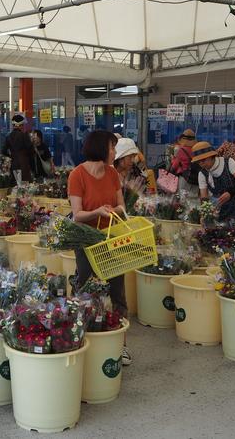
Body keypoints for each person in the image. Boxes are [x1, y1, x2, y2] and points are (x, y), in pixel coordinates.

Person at [68, 130, 131, 365]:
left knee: (118, 290)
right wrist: (97, 212)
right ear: (100, 149)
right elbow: (77, 215)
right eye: (112, 147)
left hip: (111, 237)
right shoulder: (77, 175)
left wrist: (113, 211)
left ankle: (120, 344)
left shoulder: (113, 173)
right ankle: (80, 338)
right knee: (85, 288)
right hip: (86, 238)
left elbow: (122, 205)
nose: (115, 152)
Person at [192, 141, 235, 222]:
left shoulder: (228, 162)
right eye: (198, 161)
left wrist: (230, 193)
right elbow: (204, 198)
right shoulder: (202, 174)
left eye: (203, 160)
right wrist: (205, 213)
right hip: (221, 212)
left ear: (211, 156)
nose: (201, 163)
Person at [3, 114, 33, 182]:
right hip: (23, 163)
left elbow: (3, 151)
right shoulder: (24, 135)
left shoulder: (8, 136)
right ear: (21, 125)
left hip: (13, 163)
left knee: (15, 184)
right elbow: (31, 150)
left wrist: (11, 156)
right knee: (25, 184)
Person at [169, 129, 199, 196]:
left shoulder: (181, 150)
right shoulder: (197, 150)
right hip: (196, 179)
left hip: (185, 179)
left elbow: (174, 166)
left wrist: (172, 160)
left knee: (183, 201)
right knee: (194, 200)